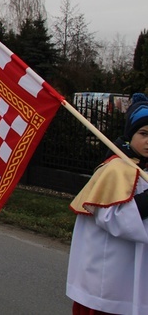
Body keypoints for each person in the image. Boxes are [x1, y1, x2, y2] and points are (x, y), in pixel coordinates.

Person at [67, 99, 148, 314]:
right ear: (130, 134)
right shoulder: (115, 169)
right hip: (110, 275)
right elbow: (110, 218)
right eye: (143, 134)